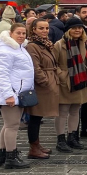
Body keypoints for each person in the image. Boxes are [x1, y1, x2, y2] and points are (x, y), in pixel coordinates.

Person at [0, 23, 35, 169]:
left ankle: (1, 155)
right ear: (10, 33)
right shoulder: (5, 51)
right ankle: (11, 156)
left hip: (18, 93)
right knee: (12, 126)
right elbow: (1, 75)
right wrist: (9, 95)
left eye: (23, 33)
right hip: (11, 93)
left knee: (8, 125)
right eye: (18, 33)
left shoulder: (19, 48)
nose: (21, 36)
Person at [53, 16, 87, 152]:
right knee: (63, 111)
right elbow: (53, 64)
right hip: (66, 81)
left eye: (79, 28)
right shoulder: (59, 44)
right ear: (68, 30)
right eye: (74, 28)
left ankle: (72, 137)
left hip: (80, 80)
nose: (77, 30)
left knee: (75, 110)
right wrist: (62, 75)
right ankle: (60, 140)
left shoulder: (84, 43)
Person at [25, 18, 60, 159]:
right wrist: (45, 81)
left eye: (46, 28)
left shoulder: (46, 44)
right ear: (34, 30)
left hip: (49, 81)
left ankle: (37, 144)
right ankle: (33, 147)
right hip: (41, 86)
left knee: (38, 117)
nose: (45, 31)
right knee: (35, 116)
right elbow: (35, 66)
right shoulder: (33, 46)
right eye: (41, 28)